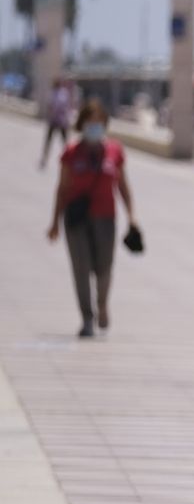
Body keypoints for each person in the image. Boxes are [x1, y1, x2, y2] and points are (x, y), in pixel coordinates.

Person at [46, 99, 137, 338]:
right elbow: (62, 188)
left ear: (105, 124)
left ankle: (103, 304)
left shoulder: (115, 151)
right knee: (81, 268)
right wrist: (55, 221)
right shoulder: (71, 152)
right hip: (76, 220)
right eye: (90, 122)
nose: (94, 127)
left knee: (104, 267)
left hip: (106, 218)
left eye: (99, 123)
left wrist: (132, 216)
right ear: (82, 124)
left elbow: (123, 185)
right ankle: (87, 318)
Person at [39, 77, 76, 169]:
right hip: (61, 121)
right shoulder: (63, 93)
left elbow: (50, 106)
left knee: (51, 141)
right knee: (62, 142)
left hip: (56, 120)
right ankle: (69, 158)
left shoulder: (56, 93)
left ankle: (47, 158)